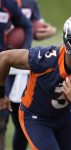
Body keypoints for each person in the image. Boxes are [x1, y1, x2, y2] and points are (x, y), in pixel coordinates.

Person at [0, 14, 71, 150]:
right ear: (68, 41)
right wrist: (1, 94)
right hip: (35, 117)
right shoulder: (45, 59)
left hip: (65, 118)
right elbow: (4, 58)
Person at [7, 0, 57, 150]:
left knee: (21, 121)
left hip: (21, 66)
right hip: (3, 62)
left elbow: (38, 29)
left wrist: (51, 30)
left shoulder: (30, 3)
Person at [0, 0, 32, 149]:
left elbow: (26, 25)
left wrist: (23, 52)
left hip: (4, 65)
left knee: (10, 116)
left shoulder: (7, 3)